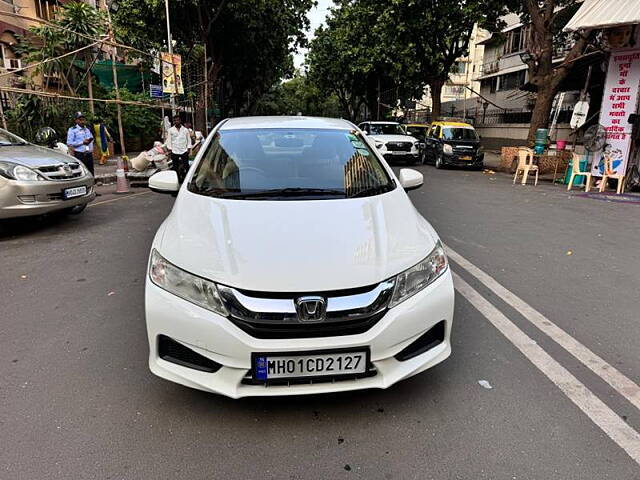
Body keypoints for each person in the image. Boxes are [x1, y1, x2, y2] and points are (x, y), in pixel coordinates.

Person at [166, 114, 192, 183]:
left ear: (180, 121)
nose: (176, 121)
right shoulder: (170, 130)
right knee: (175, 167)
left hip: (184, 150)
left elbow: (188, 139)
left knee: (186, 165)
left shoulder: (185, 130)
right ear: (173, 121)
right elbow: (169, 140)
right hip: (174, 150)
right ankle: (177, 179)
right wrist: (170, 149)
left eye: (178, 120)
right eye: (175, 120)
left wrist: (188, 148)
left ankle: (188, 179)